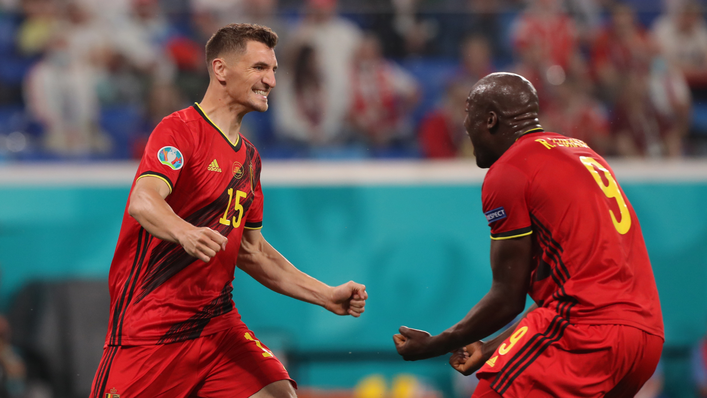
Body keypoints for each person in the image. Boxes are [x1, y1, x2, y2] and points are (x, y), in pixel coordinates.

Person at [90, 23, 368, 398]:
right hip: (149, 332)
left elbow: (252, 251)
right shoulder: (178, 131)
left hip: (217, 326)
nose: (270, 80)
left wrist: (324, 294)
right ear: (221, 69)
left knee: (279, 393)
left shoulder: (250, 159)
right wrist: (183, 230)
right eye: (259, 68)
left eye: (273, 70)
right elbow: (143, 200)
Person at [393, 72, 664, 397]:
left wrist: (435, 344)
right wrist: (492, 346)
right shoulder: (582, 152)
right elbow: (581, 285)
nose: (464, 125)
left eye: (469, 113)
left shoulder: (510, 170)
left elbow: (508, 298)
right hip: (645, 340)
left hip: (587, 334)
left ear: (490, 119)